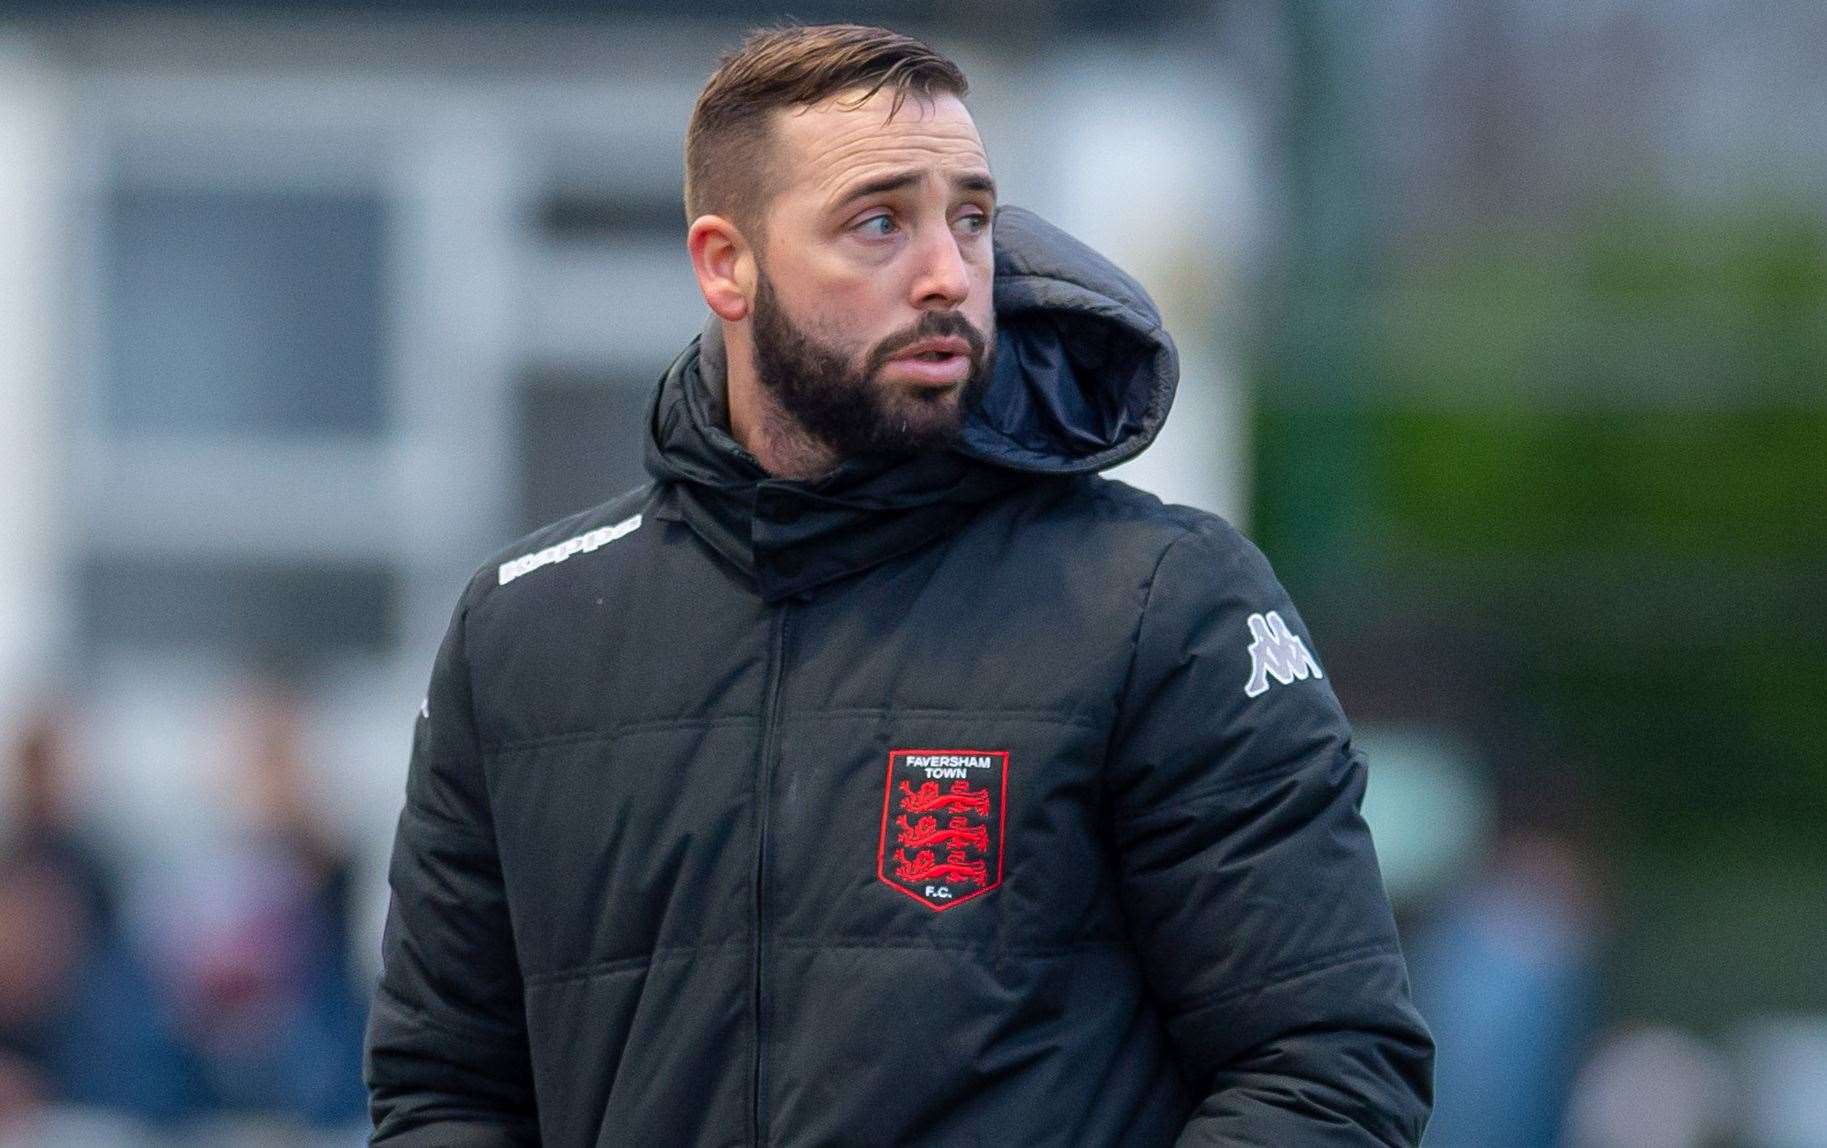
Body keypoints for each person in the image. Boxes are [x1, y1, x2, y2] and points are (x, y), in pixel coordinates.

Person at [365, 23, 1433, 1146]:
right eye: (880, 221)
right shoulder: (524, 633)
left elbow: (1327, 1069)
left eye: (969, 216)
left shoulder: (1163, 602)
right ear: (726, 264)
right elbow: (444, 1091)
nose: (948, 274)